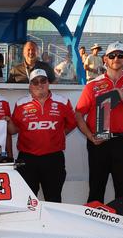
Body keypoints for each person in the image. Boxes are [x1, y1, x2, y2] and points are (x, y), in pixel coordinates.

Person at [74, 41, 123, 202]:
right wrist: (90, 136)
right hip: (99, 142)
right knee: (96, 191)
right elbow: (78, 114)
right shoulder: (93, 85)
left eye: (120, 55)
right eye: (112, 55)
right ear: (105, 59)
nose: (116, 58)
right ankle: (92, 227)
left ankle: (122, 226)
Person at [8, 69, 76, 201]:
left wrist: (59, 134)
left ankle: (53, 223)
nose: (39, 84)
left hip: (54, 158)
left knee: (54, 199)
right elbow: (13, 130)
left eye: (43, 81)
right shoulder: (21, 103)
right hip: (27, 159)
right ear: (30, 86)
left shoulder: (62, 101)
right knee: (28, 201)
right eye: (35, 82)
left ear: (48, 83)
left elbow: (72, 123)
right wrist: (7, 122)